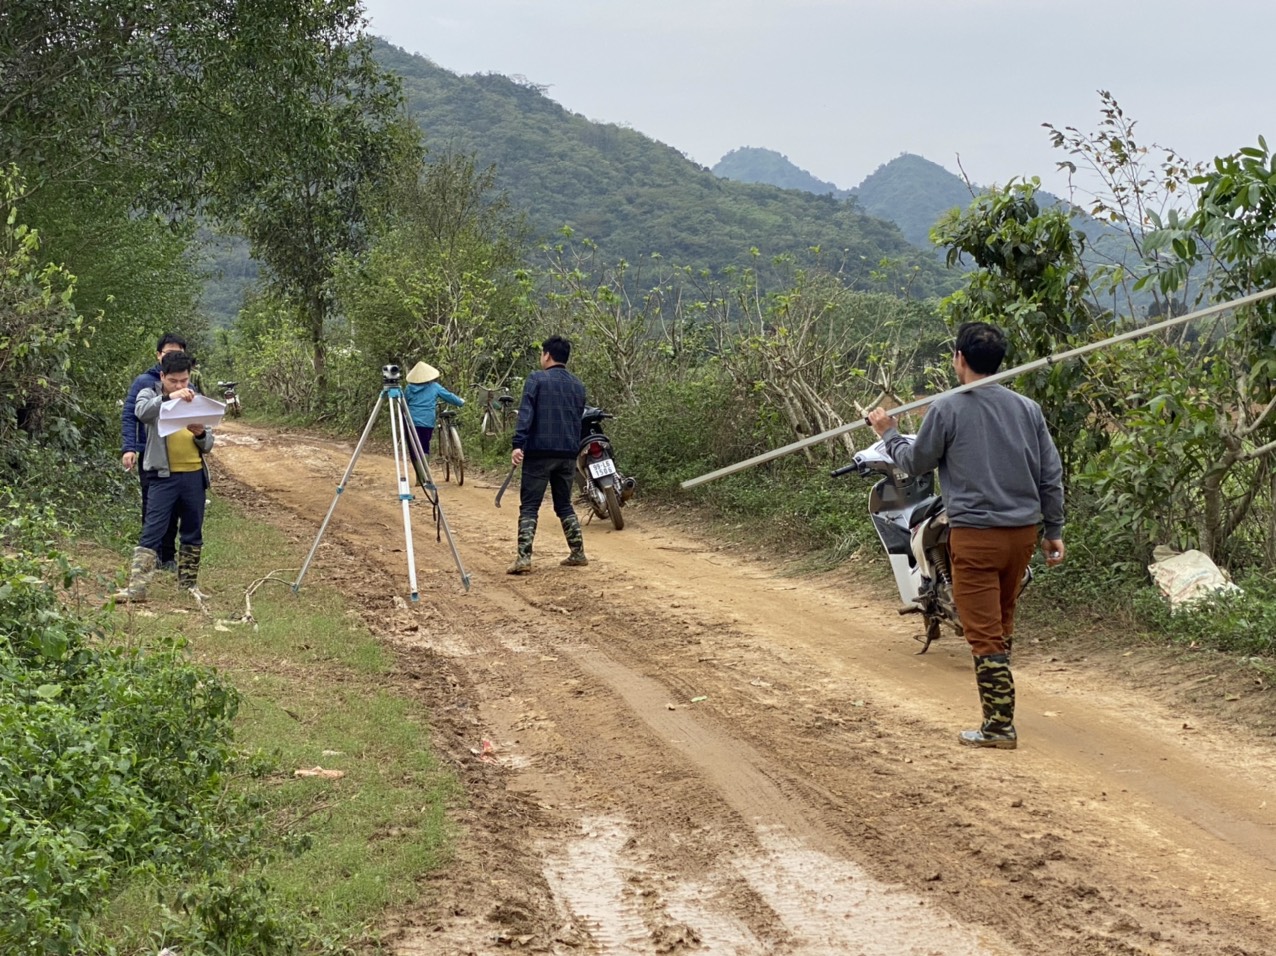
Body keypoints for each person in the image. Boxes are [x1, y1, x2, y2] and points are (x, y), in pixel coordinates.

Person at [867, 321, 1065, 750]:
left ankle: (998, 726)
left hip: (976, 535)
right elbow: (1050, 475)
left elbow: (916, 463)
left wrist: (887, 433)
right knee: (1002, 620)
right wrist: (1054, 530)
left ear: (959, 358)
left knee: (984, 632)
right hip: (1023, 535)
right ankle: (1000, 713)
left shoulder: (947, 408)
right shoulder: (1027, 409)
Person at [116, 351, 215, 602]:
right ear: (162, 376)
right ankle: (137, 588)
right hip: (162, 476)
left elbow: (209, 444)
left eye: (184, 381)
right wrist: (169, 397)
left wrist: (201, 433)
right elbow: (142, 412)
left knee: (193, 532)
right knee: (152, 530)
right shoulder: (149, 393)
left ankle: (189, 585)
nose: (181, 386)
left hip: (193, 475)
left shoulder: (197, 400)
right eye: (174, 381)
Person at [507, 336, 588, 574]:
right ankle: (578, 552)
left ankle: (524, 558)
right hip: (567, 454)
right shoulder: (578, 385)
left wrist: (518, 443)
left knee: (530, 506)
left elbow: (526, 413)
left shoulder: (536, 379)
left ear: (547, 355)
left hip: (539, 453)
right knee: (563, 504)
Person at [121, 333, 187, 572]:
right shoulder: (144, 382)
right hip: (151, 453)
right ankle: (151, 555)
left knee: (175, 509)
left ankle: (167, 557)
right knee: (153, 506)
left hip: (179, 456)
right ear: (158, 355)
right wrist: (129, 447)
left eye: (178, 353)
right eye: (168, 353)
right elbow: (131, 414)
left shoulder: (187, 382)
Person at [404, 361, 465, 456]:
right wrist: (460, 402)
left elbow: (405, 403)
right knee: (424, 447)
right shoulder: (434, 387)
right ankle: (425, 468)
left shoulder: (409, 388)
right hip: (427, 422)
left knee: (414, 449)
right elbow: (449, 396)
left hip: (412, 422)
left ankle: (417, 468)